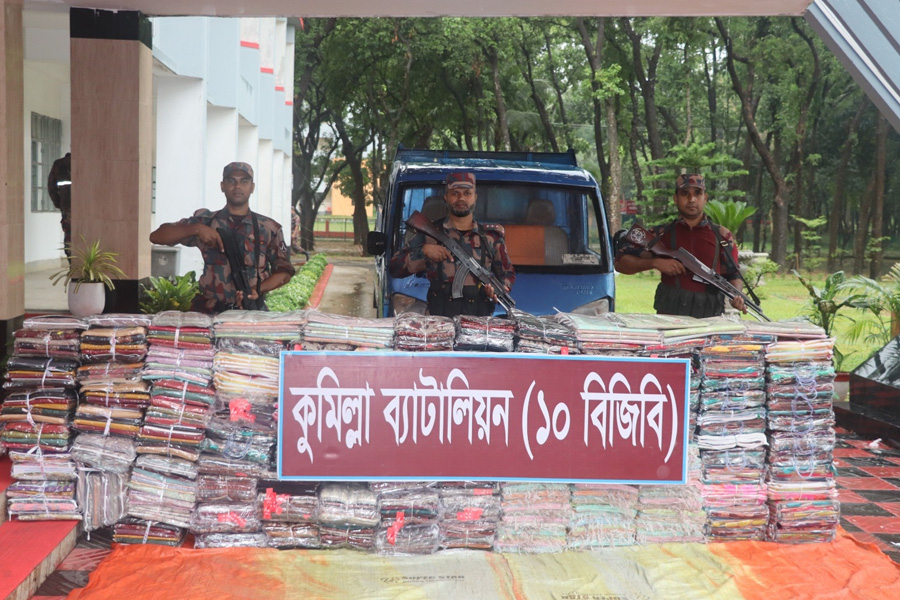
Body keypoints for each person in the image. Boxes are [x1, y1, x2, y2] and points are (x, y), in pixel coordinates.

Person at [149, 162, 295, 313]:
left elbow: (284, 271)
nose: (237, 186)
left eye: (244, 181)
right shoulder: (206, 222)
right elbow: (157, 236)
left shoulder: (268, 228)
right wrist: (196, 229)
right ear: (222, 186)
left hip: (251, 312)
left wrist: (257, 289)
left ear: (252, 187)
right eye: (231, 181)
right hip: (209, 314)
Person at [614, 173, 746, 318]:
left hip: (709, 321)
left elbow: (734, 275)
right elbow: (621, 263)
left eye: (698, 193)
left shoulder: (722, 236)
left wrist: (736, 296)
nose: (692, 199)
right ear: (676, 199)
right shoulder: (661, 234)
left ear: (705, 198)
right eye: (685, 194)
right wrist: (655, 262)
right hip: (669, 320)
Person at [389, 171, 515, 317]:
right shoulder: (430, 233)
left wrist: (496, 290)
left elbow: (507, 273)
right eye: (455, 193)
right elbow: (394, 267)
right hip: (438, 322)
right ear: (446, 197)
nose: (461, 198)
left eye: (467, 193)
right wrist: (424, 252)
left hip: (477, 324)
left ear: (475, 198)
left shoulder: (490, 238)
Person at [48, 152, 72, 257]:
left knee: (69, 236)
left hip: (67, 207)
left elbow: (51, 187)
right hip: (85, 208)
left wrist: (59, 203)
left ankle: (72, 265)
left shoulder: (58, 164)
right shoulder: (87, 163)